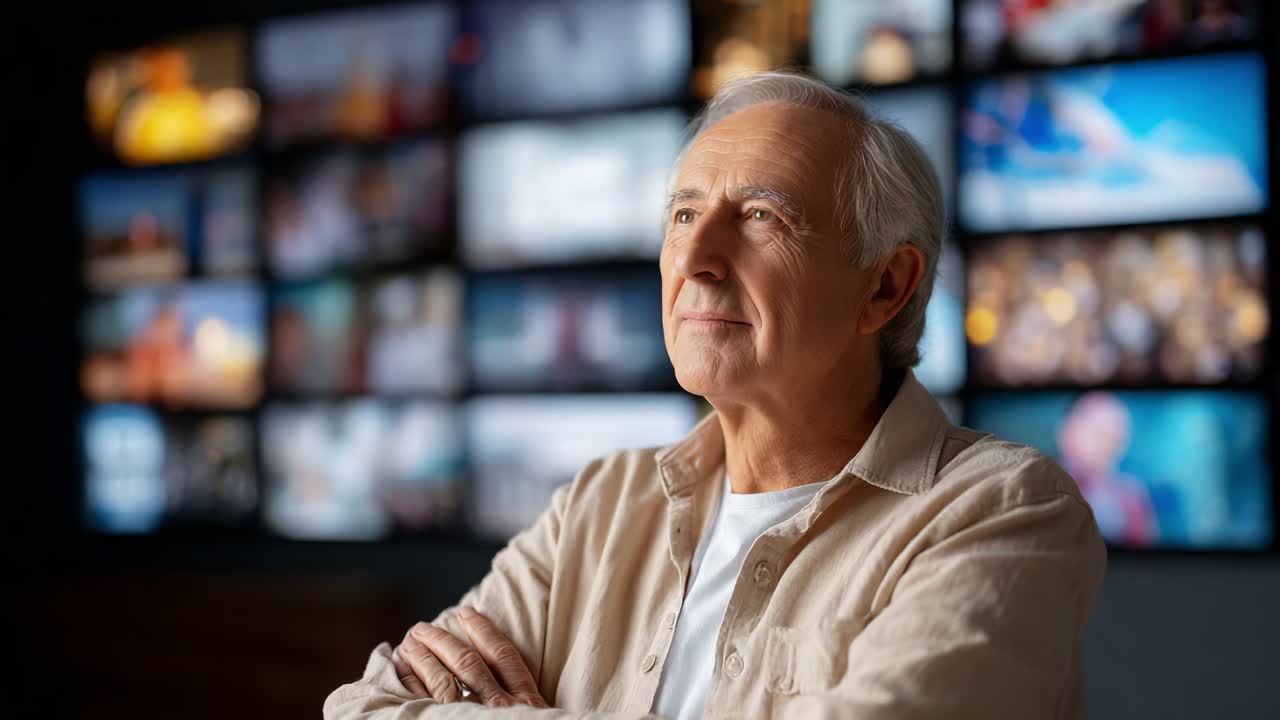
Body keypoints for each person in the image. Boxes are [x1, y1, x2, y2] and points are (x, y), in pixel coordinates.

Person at [325, 71, 1107, 719]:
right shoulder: (598, 506)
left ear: (885, 287)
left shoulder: (1002, 509)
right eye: (685, 215)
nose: (696, 257)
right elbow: (362, 707)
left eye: (763, 217)